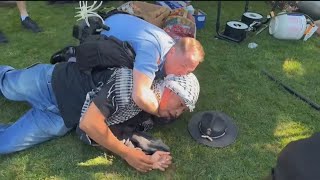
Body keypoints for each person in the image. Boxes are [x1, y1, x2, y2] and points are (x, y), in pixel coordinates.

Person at [0, 42, 200, 172]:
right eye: (181, 104)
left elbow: (122, 134)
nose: (178, 112)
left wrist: (149, 156)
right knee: (6, 84)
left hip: (60, 119)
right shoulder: (132, 84)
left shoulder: (147, 117)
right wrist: (128, 154)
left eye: (183, 110)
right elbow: (90, 124)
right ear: (169, 90)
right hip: (51, 83)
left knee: (5, 144)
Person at [100, 13, 205, 118]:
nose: (182, 74)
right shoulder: (152, 50)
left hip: (120, 21)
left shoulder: (171, 51)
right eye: (183, 65)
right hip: (104, 31)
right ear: (172, 51)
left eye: (188, 71)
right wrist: (162, 113)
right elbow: (140, 95)